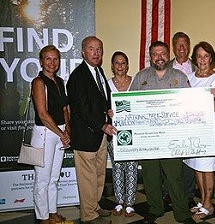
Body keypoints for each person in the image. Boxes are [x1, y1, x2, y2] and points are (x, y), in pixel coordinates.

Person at [129, 41, 195, 224]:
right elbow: (129, 104)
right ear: (150, 57)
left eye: (163, 53)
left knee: (175, 178)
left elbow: (189, 106)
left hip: (171, 139)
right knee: (151, 177)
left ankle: (182, 213)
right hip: (148, 138)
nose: (159, 57)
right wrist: (117, 111)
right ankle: (155, 208)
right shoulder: (141, 77)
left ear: (168, 55)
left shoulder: (180, 77)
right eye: (155, 54)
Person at [67, 36, 116, 224]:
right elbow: (81, 108)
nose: (96, 53)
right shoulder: (78, 76)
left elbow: (100, 100)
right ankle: (88, 214)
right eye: (91, 49)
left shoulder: (98, 71)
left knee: (99, 174)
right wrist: (102, 124)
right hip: (86, 134)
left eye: (99, 49)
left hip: (100, 135)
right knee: (87, 177)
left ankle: (94, 206)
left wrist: (108, 111)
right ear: (83, 52)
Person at [183, 41, 215, 219]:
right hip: (193, 129)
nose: (202, 60)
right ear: (195, 58)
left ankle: (209, 204)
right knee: (196, 167)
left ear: (211, 58)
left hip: (208, 130)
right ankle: (202, 200)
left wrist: (212, 97)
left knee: (207, 167)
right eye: (199, 56)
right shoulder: (189, 78)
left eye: (206, 56)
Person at [31, 45, 70, 224]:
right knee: (42, 179)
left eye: (55, 59)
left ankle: (52, 212)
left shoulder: (60, 81)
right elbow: (43, 114)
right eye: (48, 58)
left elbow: (64, 109)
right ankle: (42, 217)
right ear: (41, 61)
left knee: (54, 178)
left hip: (60, 133)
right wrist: (62, 133)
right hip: (45, 134)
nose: (52, 62)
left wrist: (67, 129)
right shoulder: (38, 82)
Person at [164, 31, 197, 208]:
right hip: (169, 121)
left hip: (189, 121)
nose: (182, 48)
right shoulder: (164, 67)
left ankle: (189, 194)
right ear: (174, 47)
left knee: (189, 159)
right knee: (170, 158)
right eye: (178, 44)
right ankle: (169, 192)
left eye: (185, 44)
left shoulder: (197, 67)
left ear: (189, 47)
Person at [107, 51, 137, 217]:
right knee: (117, 166)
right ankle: (119, 201)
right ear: (112, 66)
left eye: (123, 63)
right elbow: (101, 107)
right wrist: (107, 113)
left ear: (127, 65)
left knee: (131, 166)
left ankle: (130, 203)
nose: (120, 66)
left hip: (133, 132)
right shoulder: (107, 85)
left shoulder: (135, 83)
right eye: (117, 63)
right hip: (114, 132)